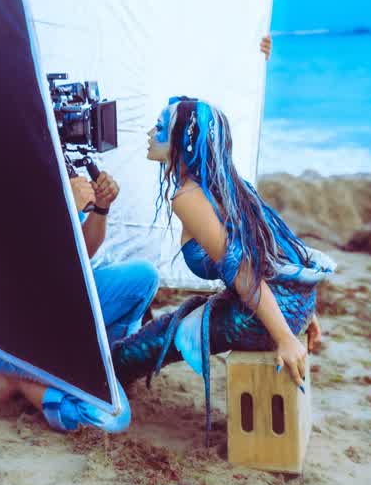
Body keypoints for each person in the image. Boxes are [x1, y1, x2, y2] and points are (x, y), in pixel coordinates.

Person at [110, 91, 335, 443]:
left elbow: (243, 270)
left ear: (182, 141)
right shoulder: (231, 184)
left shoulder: (189, 197)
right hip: (291, 301)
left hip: (260, 312)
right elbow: (280, 253)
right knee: (171, 324)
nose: (149, 133)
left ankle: (107, 376)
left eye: (159, 127)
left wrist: (285, 337)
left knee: (139, 348)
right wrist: (303, 310)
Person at [0, 169, 159, 433]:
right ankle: (19, 380)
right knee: (112, 419)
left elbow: (80, 254)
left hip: (52, 312)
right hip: (5, 332)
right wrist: (62, 213)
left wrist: (100, 208)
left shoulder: (52, 165)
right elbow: (15, 273)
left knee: (144, 276)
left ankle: (89, 365)